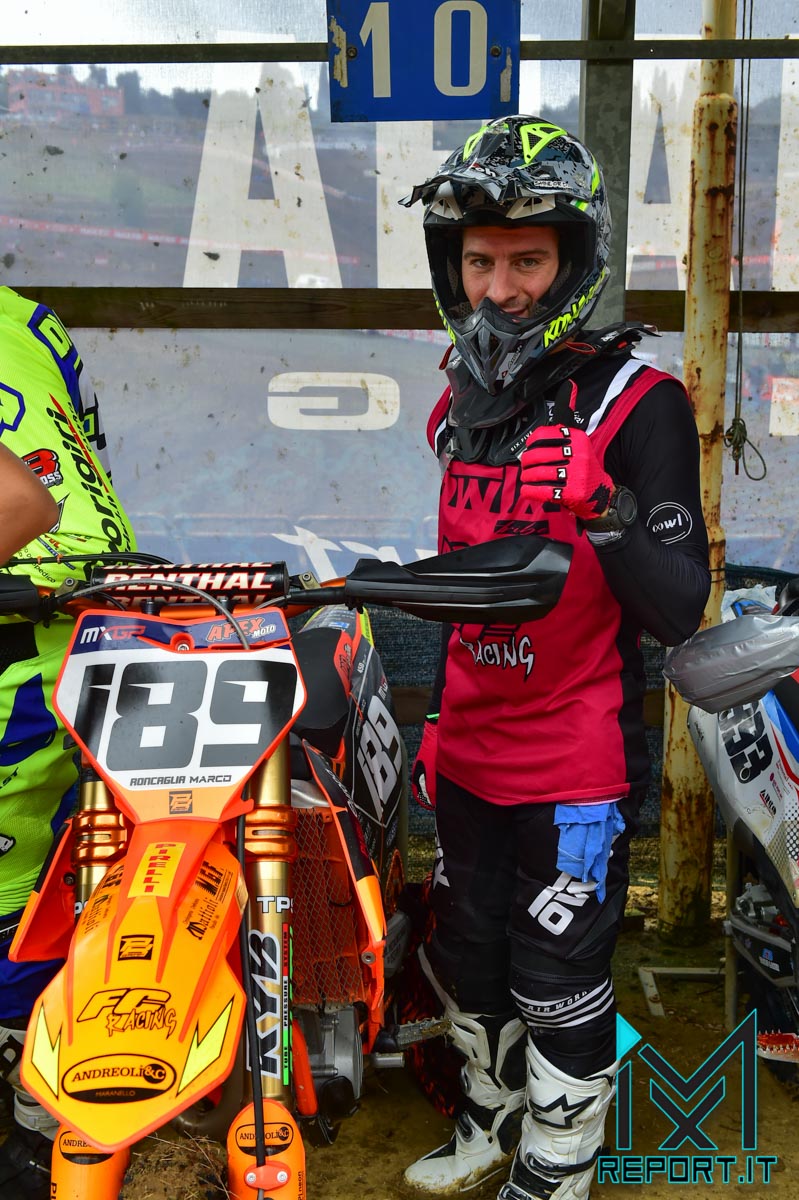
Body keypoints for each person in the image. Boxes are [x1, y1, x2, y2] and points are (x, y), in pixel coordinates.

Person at [398, 117, 711, 1200]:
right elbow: (469, 586)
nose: (500, 290)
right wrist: (437, 727)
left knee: (557, 975)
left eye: (526, 260)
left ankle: (558, 1166)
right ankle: (490, 1123)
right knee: (468, 957)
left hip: (576, 763)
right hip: (470, 751)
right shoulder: (459, 400)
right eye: (478, 261)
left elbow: (678, 609)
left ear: (573, 261)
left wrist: (603, 507)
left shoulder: (639, 404)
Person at [0, 285, 136, 1198]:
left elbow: (20, 501)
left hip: (24, 633)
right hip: (90, 611)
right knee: (53, 885)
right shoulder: (24, 313)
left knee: (28, 895)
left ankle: (37, 1124)